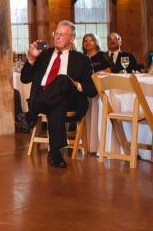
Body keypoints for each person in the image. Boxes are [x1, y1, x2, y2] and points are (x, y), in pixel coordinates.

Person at [21, 21, 97, 168]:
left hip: (72, 99)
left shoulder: (82, 59)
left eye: (62, 34)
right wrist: (31, 58)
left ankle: (30, 115)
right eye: (56, 34)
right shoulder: (43, 55)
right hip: (54, 101)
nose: (57, 37)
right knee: (57, 105)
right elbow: (25, 79)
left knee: (62, 79)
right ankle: (55, 154)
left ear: (72, 38)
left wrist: (75, 85)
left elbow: (92, 89)